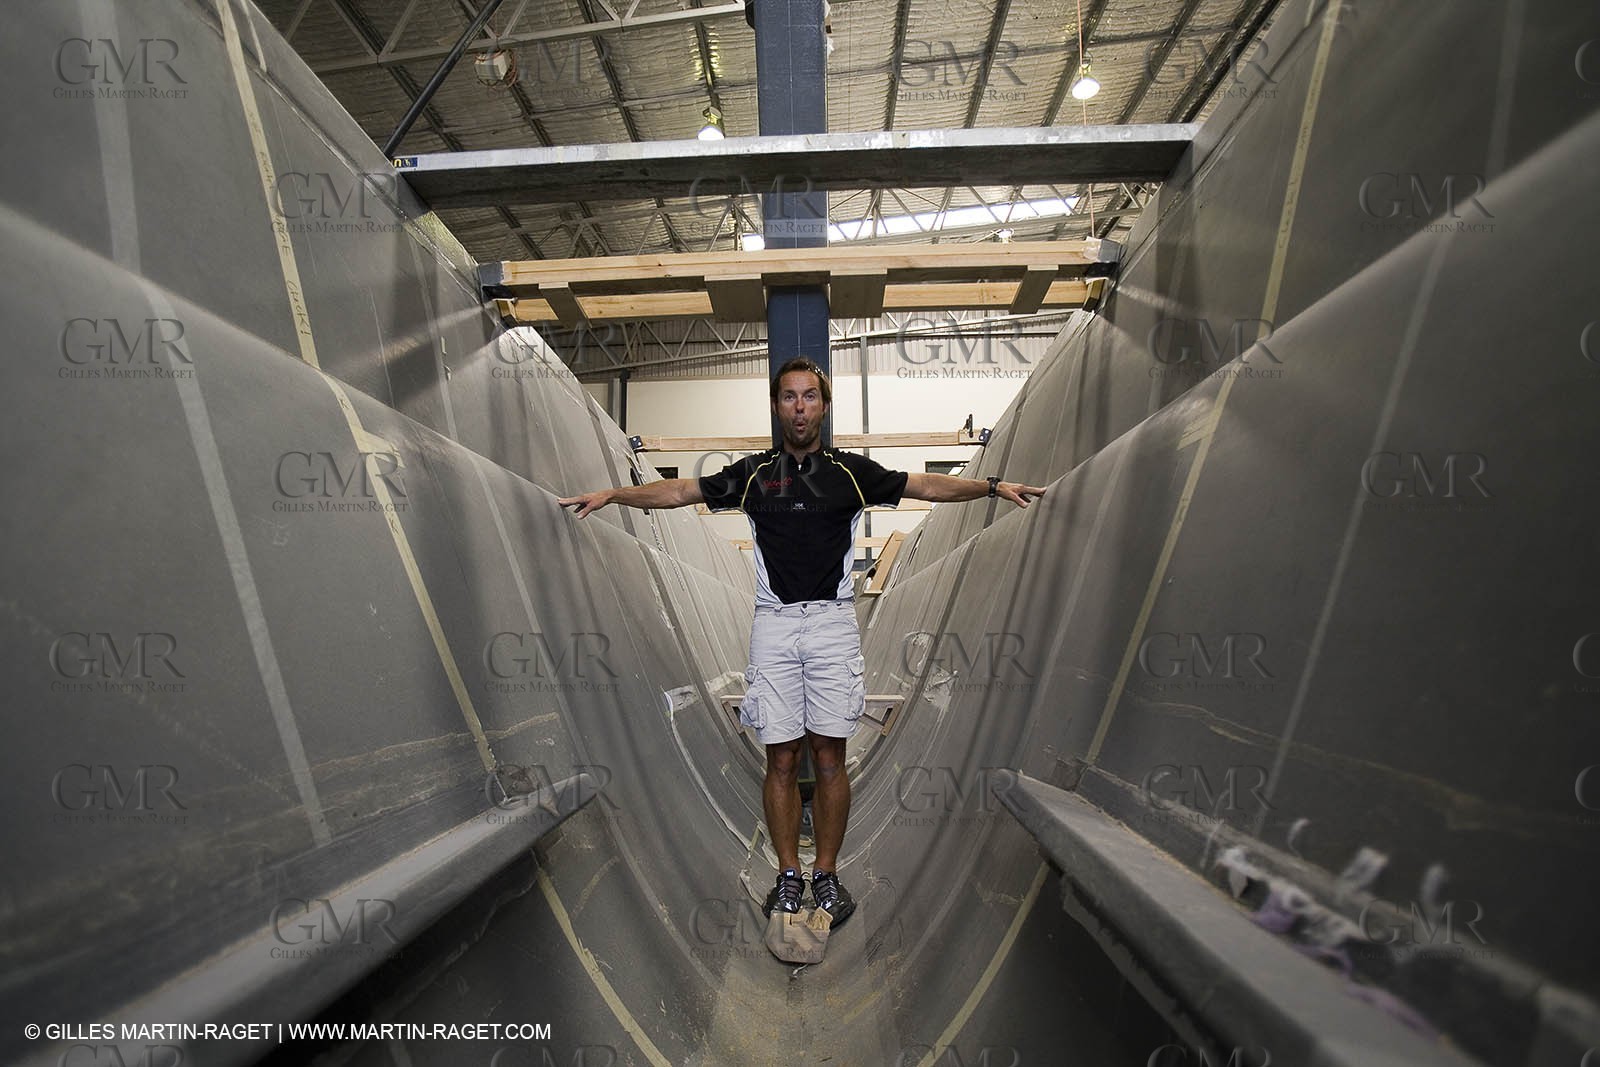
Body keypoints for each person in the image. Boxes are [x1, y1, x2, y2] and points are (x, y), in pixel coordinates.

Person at [558, 357, 1045, 929]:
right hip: (775, 625)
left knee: (830, 756)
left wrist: (992, 486)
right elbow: (680, 491)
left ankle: (828, 875)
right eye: (788, 397)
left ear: (824, 405)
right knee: (782, 756)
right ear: (776, 406)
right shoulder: (754, 476)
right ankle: (790, 875)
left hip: (833, 625)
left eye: (809, 397)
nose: (799, 407)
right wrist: (615, 494)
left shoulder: (850, 473)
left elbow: (926, 483)